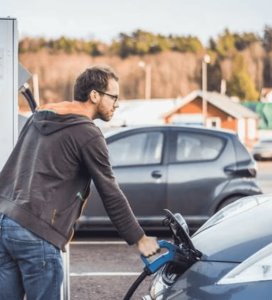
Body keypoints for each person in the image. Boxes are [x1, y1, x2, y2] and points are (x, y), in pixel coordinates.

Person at [0, 65, 160, 300]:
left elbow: (12, 167)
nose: (117, 104)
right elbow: (110, 192)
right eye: (114, 96)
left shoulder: (38, 118)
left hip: (6, 224)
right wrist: (139, 238)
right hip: (38, 233)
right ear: (94, 95)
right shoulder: (87, 134)